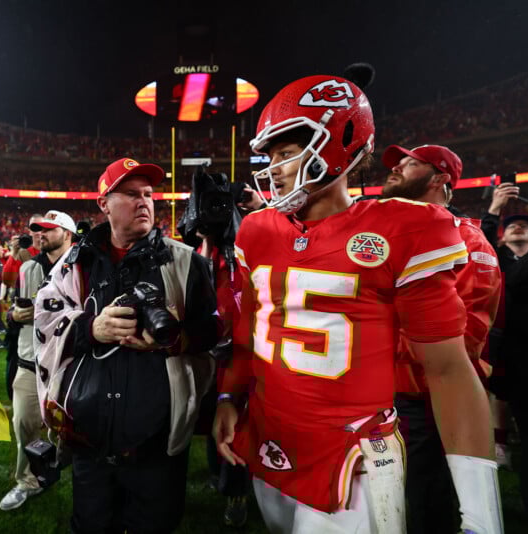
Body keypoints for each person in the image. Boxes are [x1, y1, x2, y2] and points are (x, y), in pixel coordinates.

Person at [212, 75, 502, 533]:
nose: (275, 168)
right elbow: (250, 328)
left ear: (339, 150)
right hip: (271, 438)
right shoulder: (256, 229)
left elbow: (448, 369)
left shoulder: (406, 228)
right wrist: (229, 395)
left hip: (352, 455)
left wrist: (481, 513)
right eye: (270, 156)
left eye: (287, 153)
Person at [34, 158, 219, 534]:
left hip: (158, 441)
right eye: (131, 194)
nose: (144, 202)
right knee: (90, 525)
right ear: (104, 203)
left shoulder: (186, 262)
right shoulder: (74, 262)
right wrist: (90, 327)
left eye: (149, 195)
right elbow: (46, 320)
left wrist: (175, 338)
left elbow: (214, 331)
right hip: (89, 437)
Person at [381, 144, 501, 534]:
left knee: (425, 500)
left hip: (425, 398)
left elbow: (463, 339)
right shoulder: (381, 235)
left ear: (440, 178)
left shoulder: (469, 241)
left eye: (410, 163)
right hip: (375, 394)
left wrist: (372, 344)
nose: (397, 168)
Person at [482, 191, 528, 532]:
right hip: (524, 365)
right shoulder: (500, 263)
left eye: (526, 224)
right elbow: (515, 279)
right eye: (513, 226)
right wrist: (495, 209)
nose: (519, 228)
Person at [0, 210, 76, 511]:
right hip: (29, 360)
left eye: (47, 229)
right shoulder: (28, 267)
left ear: (67, 233)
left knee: (77, 430)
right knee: (23, 423)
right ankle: (27, 480)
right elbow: (14, 309)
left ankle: (66, 466)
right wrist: (12, 316)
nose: (39, 234)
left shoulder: (86, 266)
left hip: (71, 363)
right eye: (37, 230)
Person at [3, 214, 43, 399]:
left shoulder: (62, 253)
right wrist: (13, 254)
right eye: (34, 228)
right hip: (23, 314)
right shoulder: (23, 254)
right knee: (16, 355)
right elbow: (8, 280)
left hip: (48, 315)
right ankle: (15, 397)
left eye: (43, 227)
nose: (39, 233)